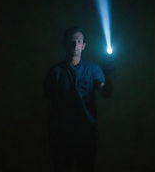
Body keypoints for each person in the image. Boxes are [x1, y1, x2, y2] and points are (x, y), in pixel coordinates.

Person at [44, 26, 112, 172]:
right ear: (65, 44)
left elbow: (105, 93)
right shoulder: (55, 72)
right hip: (61, 133)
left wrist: (109, 74)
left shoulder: (93, 69)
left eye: (79, 41)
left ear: (84, 45)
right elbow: (48, 101)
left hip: (86, 132)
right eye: (72, 41)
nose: (76, 45)